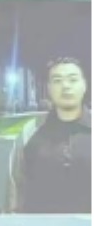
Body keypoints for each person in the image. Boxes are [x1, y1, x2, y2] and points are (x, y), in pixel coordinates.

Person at [9, 57, 91, 214]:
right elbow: (16, 189)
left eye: (73, 79)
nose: (65, 86)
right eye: (57, 80)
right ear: (49, 88)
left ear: (84, 85)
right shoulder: (30, 132)